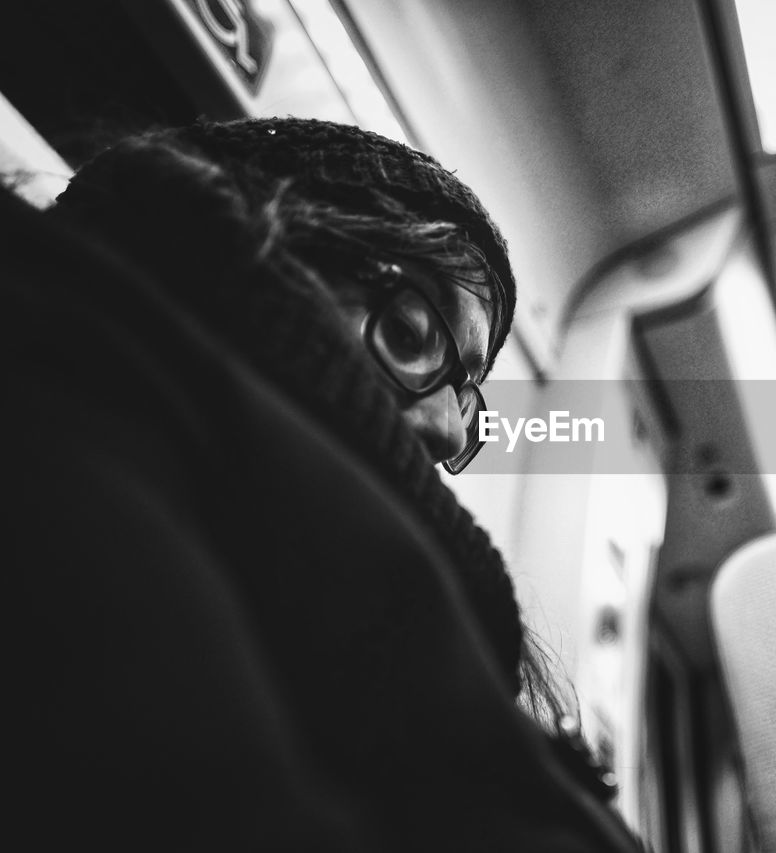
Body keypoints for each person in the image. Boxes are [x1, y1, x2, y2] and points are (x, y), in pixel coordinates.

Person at [3, 117, 642, 851]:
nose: (447, 431)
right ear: (246, 240)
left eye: (467, 398)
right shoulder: (61, 383)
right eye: (408, 333)